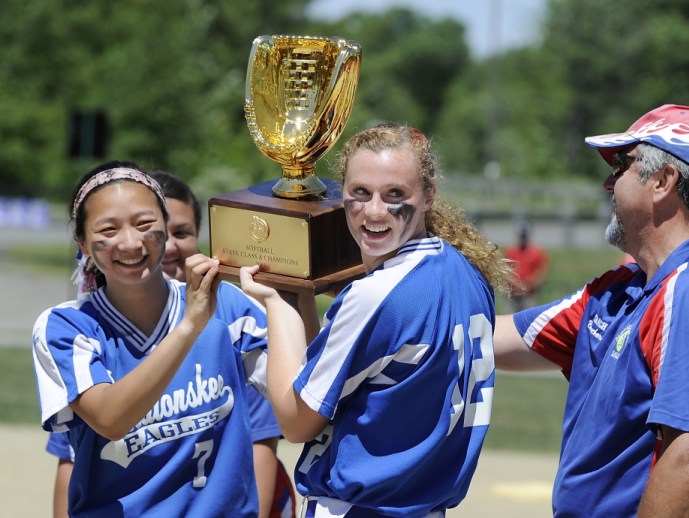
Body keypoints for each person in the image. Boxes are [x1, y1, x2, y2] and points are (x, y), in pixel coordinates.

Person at [239, 123, 514, 517]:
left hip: (359, 507)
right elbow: (330, 379)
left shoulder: (378, 294)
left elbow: (298, 422)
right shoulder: (466, 271)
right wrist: (299, 292)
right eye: (360, 193)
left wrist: (276, 302)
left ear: (428, 196)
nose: (374, 211)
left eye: (395, 195)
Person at [493, 104, 689, 516]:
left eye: (621, 164)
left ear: (663, 181)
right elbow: (487, 339)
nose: (607, 183)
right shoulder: (624, 288)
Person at [43, 167, 297, 517]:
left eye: (145, 223)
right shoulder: (68, 326)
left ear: (166, 226)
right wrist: (190, 325)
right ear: (84, 245)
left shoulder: (231, 307)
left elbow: (305, 402)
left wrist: (298, 291)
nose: (131, 242)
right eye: (108, 229)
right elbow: (110, 418)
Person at [503, 219, 548, 311]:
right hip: (513, 294)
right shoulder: (511, 251)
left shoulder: (536, 252)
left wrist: (529, 285)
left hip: (529, 295)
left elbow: (541, 272)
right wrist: (513, 284)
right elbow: (504, 270)